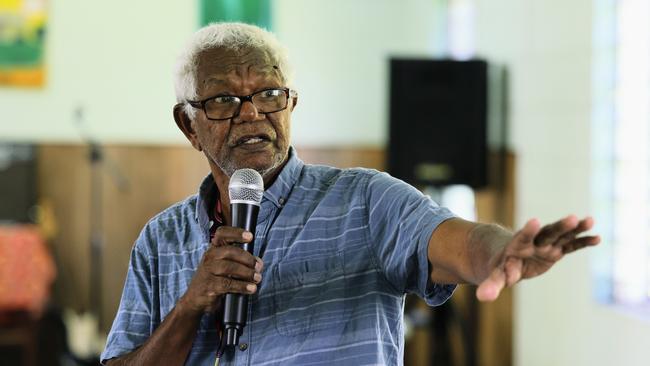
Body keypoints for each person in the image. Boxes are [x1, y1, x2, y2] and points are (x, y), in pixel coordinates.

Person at [100, 22, 600, 366]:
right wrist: (190, 307)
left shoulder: (365, 202)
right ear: (189, 123)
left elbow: (454, 244)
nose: (252, 114)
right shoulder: (161, 240)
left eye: (269, 94)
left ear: (290, 103)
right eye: (225, 99)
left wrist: (499, 251)